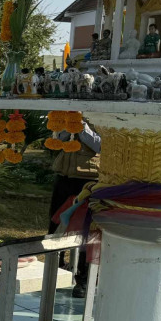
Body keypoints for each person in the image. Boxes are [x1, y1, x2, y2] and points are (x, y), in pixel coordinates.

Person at [48, 118, 101, 298]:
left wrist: (82, 127)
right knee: (56, 225)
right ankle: (54, 268)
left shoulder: (103, 116)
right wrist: (65, 125)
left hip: (88, 180)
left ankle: (83, 278)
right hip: (65, 176)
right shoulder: (68, 113)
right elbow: (56, 140)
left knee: (86, 230)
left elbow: (102, 146)